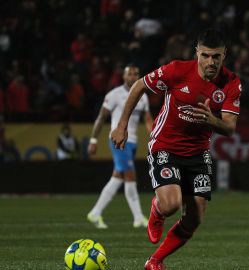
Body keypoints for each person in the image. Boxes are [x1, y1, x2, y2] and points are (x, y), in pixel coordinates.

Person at [111, 28, 241, 270]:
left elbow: (230, 128)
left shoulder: (231, 83)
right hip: (166, 145)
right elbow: (139, 85)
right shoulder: (177, 70)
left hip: (198, 152)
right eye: (205, 55)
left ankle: (155, 261)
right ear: (197, 53)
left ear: (224, 55)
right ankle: (158, 210)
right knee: (171, 204)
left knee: (195, 218)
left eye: (216, 56)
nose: (210, 62)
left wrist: (212, 121)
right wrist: (122, 125)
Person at [87, 64, 154, 229]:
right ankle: (138, 218)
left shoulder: (142, 95)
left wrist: (155, 136)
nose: (132, 77)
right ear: (123, 77)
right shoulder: (115, 95)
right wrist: (93, 140)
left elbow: (147, 119)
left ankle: (95, 213)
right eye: (129, 74)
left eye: (135, 73)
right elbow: (101, 118)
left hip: (132, 142)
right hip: (118, 141)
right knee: (130, 177)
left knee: (118, 177)